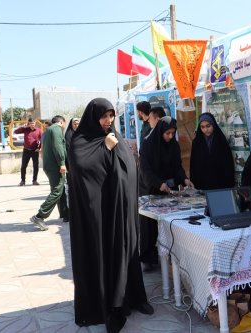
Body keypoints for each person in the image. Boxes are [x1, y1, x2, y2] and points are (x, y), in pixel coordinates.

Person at [68, 98, 153, 332]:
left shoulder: (115, 136)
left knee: (128, 254)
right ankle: (109, 306)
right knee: (107, 256)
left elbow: (130, 167)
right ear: (93, 117)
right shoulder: (81, 141)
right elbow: (81, 169)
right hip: (101, 216)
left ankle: (135, 299)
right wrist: (104, 148)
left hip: (122, 211)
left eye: (111, 116)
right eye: (104, 116)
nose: (109, 121)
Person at [137, 105, 166, 269]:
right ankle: (148, 258)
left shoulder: (161, 135)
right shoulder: (149, 136)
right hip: (148, 184)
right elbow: (146, 166)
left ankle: (155, 256)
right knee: (147, 223)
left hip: (158, 185)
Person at [30, 116, 69, 230]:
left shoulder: (49, 130)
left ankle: (65, 214)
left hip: (50, 165)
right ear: (62, 122)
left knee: (59, 191)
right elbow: (58, 147)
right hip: (55, 166)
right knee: (57, 191)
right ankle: (39, 216)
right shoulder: (57, 129)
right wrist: (62, 162)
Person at [139, 116, 194, 195]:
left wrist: (184, 179)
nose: (171, 136)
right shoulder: (148, 145)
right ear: (160, 131)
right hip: (152, 189)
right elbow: (145, 169)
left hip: (170, 189)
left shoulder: (174, 145)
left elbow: (177, 167)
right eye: (167, 133)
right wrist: (159, 184)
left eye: (173, 133)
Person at [190, 113, 234, 190]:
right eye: (202, 127)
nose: (206, 130)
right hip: (202, 184)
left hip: (220, 183)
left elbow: (228, 164)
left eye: (208, 126)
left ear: (213, 125)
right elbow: (193, 164)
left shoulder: (221, 141)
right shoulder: (197, 142)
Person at [15, 118, 42, 186]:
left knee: (36, 166)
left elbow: (42, 140)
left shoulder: (38, 130)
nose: (32, 125)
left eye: (33, 123)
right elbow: (16, 131)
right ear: (28, 124)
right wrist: (23, 127)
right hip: (26, 150)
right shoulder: (25, 129)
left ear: (35, 123)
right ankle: (23, 181)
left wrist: (39, 148)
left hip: (35, 151)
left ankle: (34, 181)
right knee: (23, 166)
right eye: (30, 123)